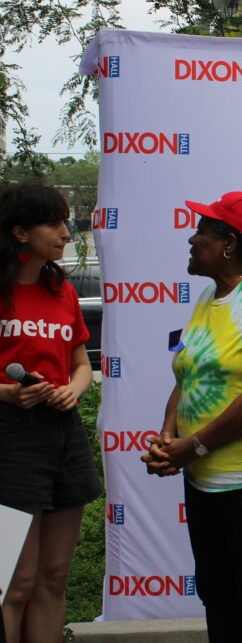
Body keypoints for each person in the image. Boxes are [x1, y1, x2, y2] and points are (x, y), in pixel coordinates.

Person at [141, 191, 242, 642]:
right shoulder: (209, 297)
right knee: (218, 597)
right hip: (201, 481)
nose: (192, 239)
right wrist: (167, 437)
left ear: (229, 243)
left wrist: (192, 446)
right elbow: (185, 375)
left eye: (203, 232)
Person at [0, 181, 101, 642]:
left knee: (54, 576)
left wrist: (73, 391)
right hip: (10, 437)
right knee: (13, 584)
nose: (65, 232)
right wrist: (7, 394)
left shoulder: (60, 290)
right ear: (20, 232)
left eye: (65, 222)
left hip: (64, 433)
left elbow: (81, 365)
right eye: (53, 223)